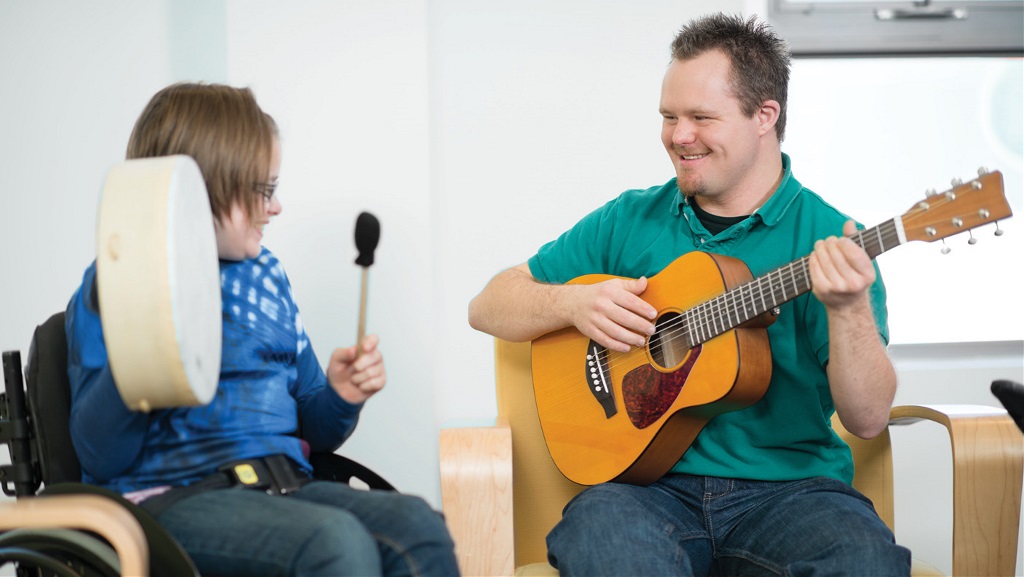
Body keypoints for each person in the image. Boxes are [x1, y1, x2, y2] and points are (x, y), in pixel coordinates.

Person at [469, 13, 911, 577]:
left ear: (764, 117)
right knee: (601, 540)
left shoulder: (831, 240)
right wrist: (574, 304)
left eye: (701, 117)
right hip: (645, 490)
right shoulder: (630, 218)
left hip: (793, 494)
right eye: (669, 117)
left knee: (866, 560)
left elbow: (869, 418)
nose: (679, 136)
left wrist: (848, 310)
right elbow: (487, 305)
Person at [66, 82, 459, 577]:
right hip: (171, 503)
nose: (275, 208)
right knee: (333, 544)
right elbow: (100, 455)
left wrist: (339, 396)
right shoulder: (116, 282)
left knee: (418, 527)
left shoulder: (267, 275)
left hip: (285, 486)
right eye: (264, 190)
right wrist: (141, 352)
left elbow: (312, 429)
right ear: (205, 187)